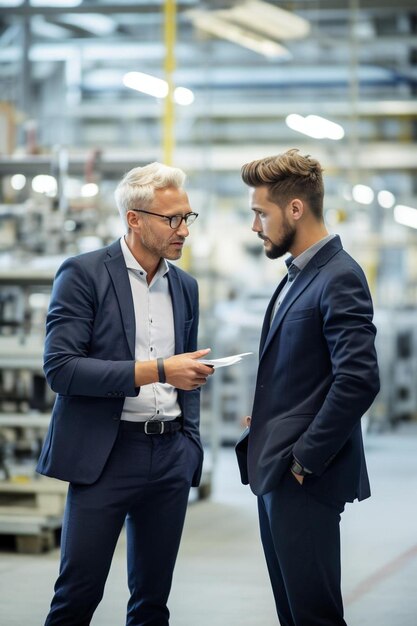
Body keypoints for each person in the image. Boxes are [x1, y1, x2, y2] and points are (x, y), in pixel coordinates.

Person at [37, 162, 214, 625]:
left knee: (153, 602)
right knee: (77, 596)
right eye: (171, 219)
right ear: (134, 218)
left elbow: (184, 371)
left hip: (170, 451)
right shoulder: (84, 274)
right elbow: (62, 369)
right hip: (107, 454)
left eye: (187, 218)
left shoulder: (186, 287)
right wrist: (158, 370)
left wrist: (189, 443)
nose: (183, 231)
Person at [235, 149, 380, 626]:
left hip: (305, 479)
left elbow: (358, 380)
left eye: (261, 213)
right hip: (277, 471)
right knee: (293, 613)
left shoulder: (339, 277)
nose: (256, 226)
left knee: (314, 615)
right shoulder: (298, 276)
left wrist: (304, 460)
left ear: (295, 209)